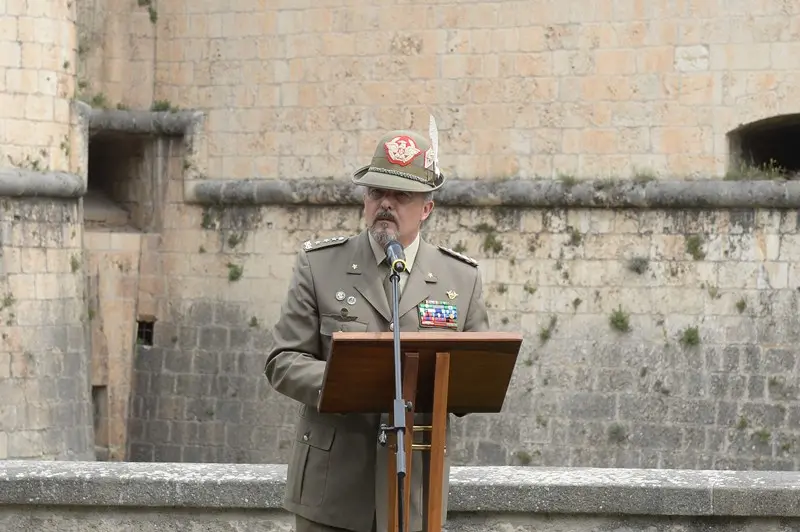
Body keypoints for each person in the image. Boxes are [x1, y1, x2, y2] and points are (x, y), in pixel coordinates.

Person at [264, 126, 490, 532]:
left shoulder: (461, 279)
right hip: (331, 490)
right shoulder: (320, 266)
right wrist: (349, 382)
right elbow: (283, 361)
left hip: (415, 491)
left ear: (426, 208)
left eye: (400, 195)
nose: (385, 203)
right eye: (375, 192)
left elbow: (475, 377)